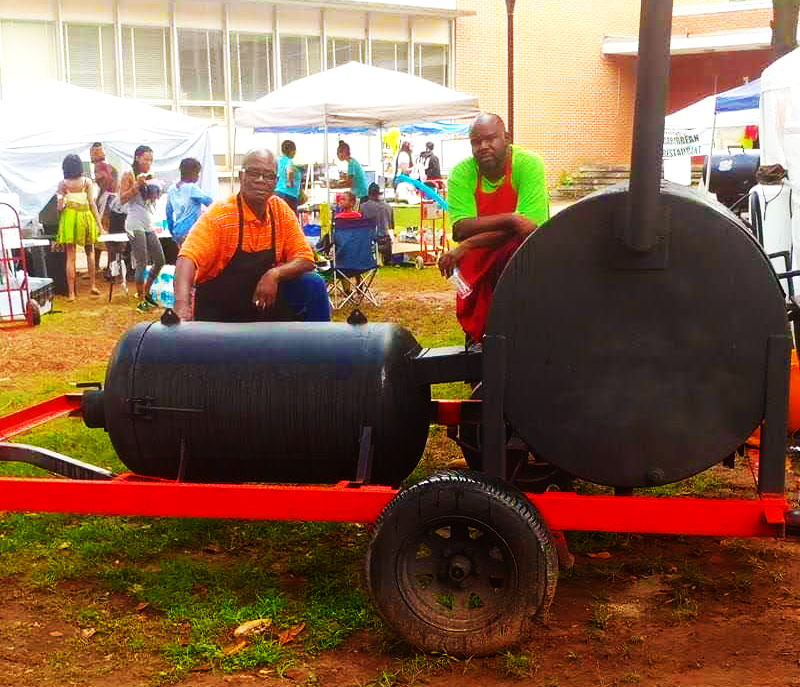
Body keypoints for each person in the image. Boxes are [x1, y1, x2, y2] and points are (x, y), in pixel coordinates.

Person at [174, 148, 330, 323]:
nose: (260, 180)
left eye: (268, 175)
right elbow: (187, 258)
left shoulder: (281, 211)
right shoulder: (220, 214)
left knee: (313, 284)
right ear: (241, 176)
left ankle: (319, 346)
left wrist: (274, 274)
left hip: (262, 302)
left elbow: (305, 258)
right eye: (254, 173)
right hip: (219, 310)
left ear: (275, 182)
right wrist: (181, 307)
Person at [437, 113, 549, 350]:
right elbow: (460, 228)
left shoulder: (528, 164)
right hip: (476, 268)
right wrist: (511, 218)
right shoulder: (462, 172)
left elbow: (529, 231)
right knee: (478, 332)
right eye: (476, 142)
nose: (483, 146)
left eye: (491, 139)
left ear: (506, 138)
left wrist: (467, 245)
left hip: (516, 263)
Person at [119, 144, 165, 312]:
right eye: (146, 159)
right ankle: (141, 298)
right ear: (137, 158)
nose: (149, 162)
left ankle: (146, 291)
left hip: (147, 221)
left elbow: (150, 200)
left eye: (151, 160)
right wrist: (136, 185)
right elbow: (122, 199)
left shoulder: (149, 176)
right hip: (134, 222)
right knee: (142, 261)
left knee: (160, 260)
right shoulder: (128, 174)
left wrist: (155, 191)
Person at [55, 154, 104, 301]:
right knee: (90, 252)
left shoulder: (62, 184)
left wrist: (62, 202)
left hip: (69, 219)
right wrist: (100, 225)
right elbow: (92, 203)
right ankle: (93, 286)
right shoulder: (86, 182)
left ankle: (71, 293)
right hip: (85, 217)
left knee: (70, 257)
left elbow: (59, 208)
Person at [165, 158, 213, 249]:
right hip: (191, 232)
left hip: (178, 231)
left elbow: (168, 214)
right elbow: (209, 202)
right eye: (197, 173)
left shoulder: (171, 190)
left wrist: (172, 231)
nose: (198, 177)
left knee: (183, 256)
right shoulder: (192, 188)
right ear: (192, 173)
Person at [359, 182, 394, 265]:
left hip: (369, 242)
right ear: (379, 194)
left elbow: (359, 226)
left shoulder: (363, 207)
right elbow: (391, 227)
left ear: (368, 194)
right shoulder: (389, 207)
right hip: (386, 243)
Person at [275, 140, 300, 214]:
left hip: (278, 192)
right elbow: (290, 171)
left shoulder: (278, 161)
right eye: (295, 150)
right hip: (288, 195)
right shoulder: (288, 161)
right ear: (292, 151)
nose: (295, 152)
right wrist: (289, 182)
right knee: (291, 218)